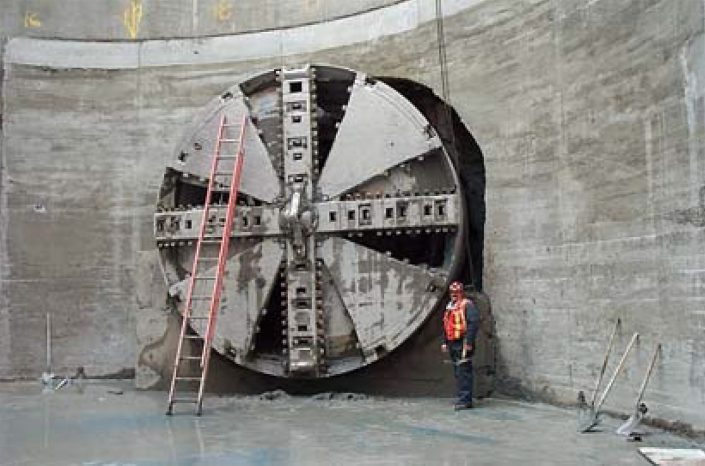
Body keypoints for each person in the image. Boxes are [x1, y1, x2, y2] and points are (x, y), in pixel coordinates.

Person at [441, 281, 480, 410]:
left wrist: (469, 342)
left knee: (464, 371)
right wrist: (445, 342)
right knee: (458, 372)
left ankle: (465, 400)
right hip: (453, 342)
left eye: (456, 293)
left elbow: (473, 324)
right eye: (452, 293)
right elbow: (447, 325)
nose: (454, 295)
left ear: (461, 293)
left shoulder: (467, 305)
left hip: (462, 342)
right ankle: (462, 397)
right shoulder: (450, 306)